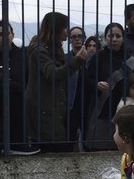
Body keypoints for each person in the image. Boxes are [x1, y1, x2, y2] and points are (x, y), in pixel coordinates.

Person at [25, 11, 92, 151]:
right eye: (65, 27)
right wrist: (77, 60)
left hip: (56, 110)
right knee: (51, 149)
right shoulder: (39, 50)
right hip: (44, 111)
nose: (67, 31)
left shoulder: (53, 48)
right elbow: (53, 74)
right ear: (56, 28)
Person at [0, 20, 36, 155]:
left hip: (20, 104)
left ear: (12, 35)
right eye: (0, 34)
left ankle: (19, 145)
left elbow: (28, 77)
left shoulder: (23, 55)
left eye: (7, 33)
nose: (4, 37)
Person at [84, 22, 128, 150]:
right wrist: (96, 84)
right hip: (102, 106)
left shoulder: (130, 58)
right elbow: (87, 80)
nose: (114, 39)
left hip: (124, 107)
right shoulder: (98, 58)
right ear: (105, 38)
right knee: (101, 145)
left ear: (123, 38)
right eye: (111, 36)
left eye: (118, 36)